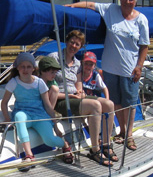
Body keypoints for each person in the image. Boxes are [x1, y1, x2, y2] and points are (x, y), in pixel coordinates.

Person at [66, 0, 149, 151]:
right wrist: (73, 6)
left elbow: (144, 45)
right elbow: (91, 5)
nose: (127, 2)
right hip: (111, 68)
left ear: (135, 1)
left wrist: (139, 66)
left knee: (130, 103)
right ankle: (122, 131)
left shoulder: (141, 20)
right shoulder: (111, 10)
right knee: (117, 103)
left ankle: (129, 134)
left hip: (130, 69)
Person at [48, 30, 117, 165]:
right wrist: (70, 95)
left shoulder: (78, 63)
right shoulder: (54, 58)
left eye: (77, 44)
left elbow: (78, 84)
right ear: (66, 42)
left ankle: (106, 145)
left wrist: (80, 92)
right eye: (72, 42)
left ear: (80, 47)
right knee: (96, 106)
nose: (73, 46)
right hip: (59, 99)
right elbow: (46, 85)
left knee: (109, 104)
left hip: (75, 98)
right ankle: (95, 150)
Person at [0, 53, 73, 169]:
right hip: (24, 114)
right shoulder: (13, 82)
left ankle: (64, 144)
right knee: (19, 116)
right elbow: (4, 103)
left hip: (39, 115)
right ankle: (29, 155)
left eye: (28, 66)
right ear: (17, 68)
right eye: (22, 66)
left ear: (33, 68)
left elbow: (48, 106)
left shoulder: (39, 83)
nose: (25, 69)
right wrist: (8, 120)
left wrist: (55, 126)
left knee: (49, 141)